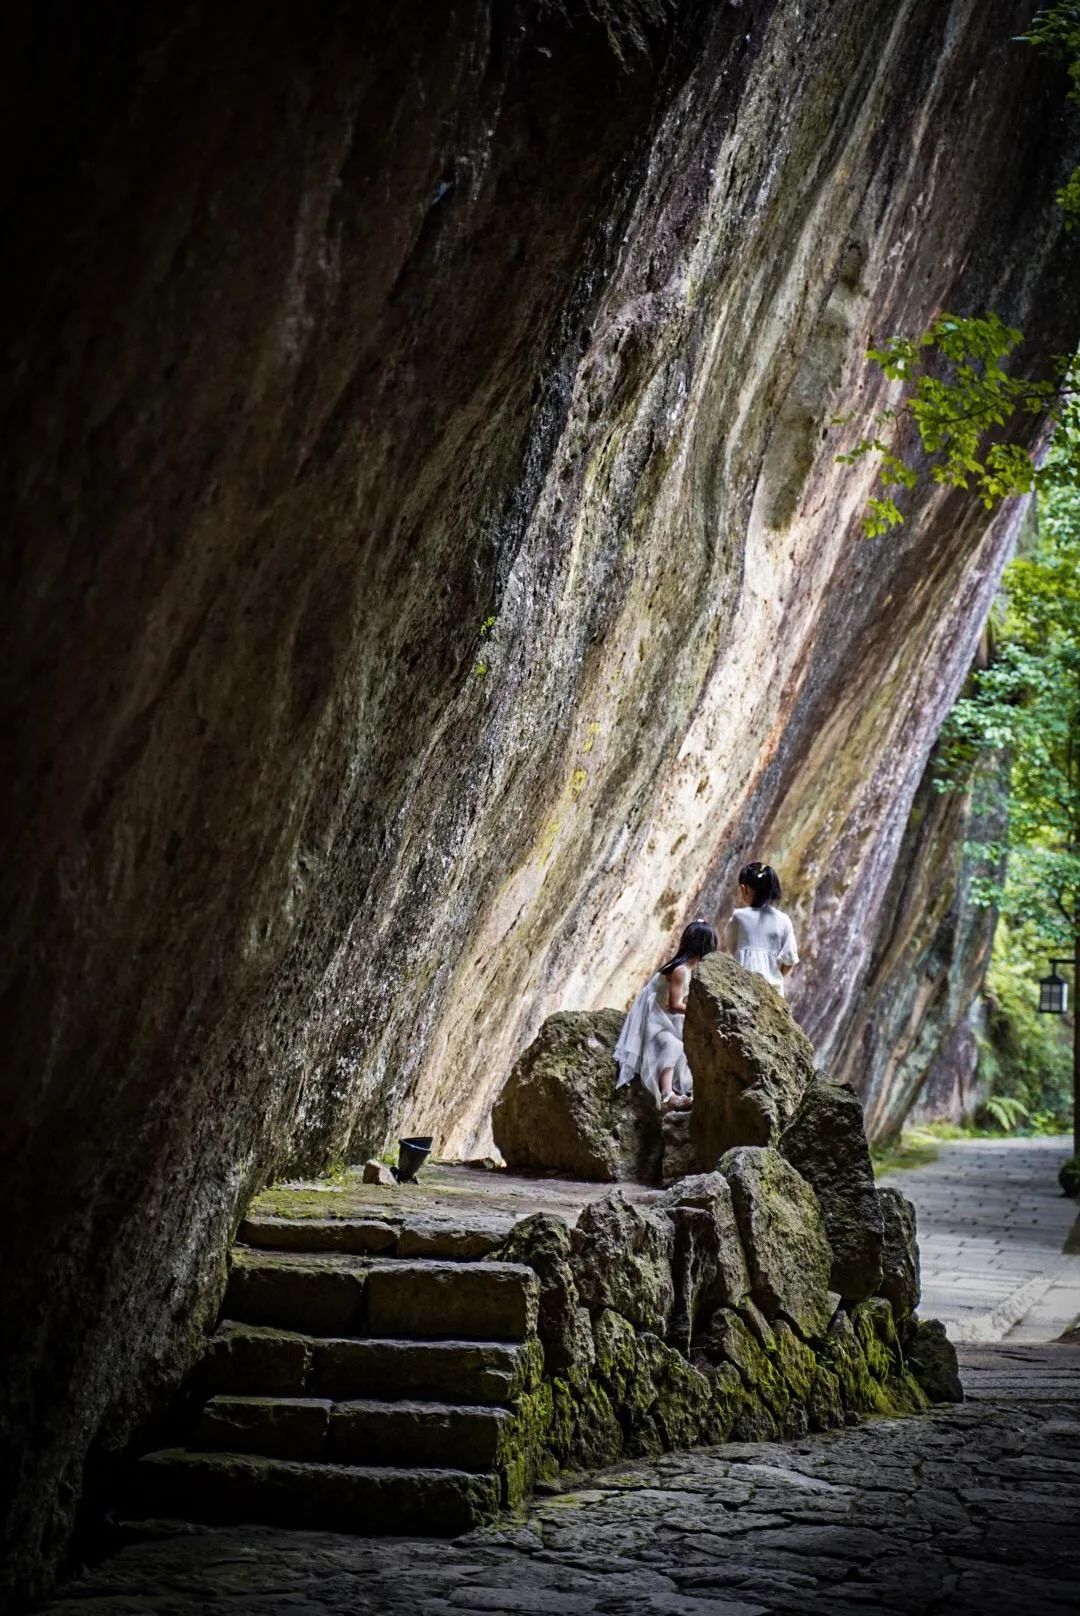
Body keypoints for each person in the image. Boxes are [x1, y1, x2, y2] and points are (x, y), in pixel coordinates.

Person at [614, 920, 718, 1112]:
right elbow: (674, 1004)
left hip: (667, 1018)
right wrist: (700, 1013)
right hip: (655, 1017)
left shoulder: (690, 969)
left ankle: (685, 1091)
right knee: (674, 1044)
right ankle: (667, 1095)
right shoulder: (681, 971)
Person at [725, 861, 798, 996]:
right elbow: (789, 960)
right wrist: (773, 975)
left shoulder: (739, 917)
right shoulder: (784, 920)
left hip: (743, 988)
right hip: (773, 992)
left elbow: (732, 946)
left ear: (744, 889)